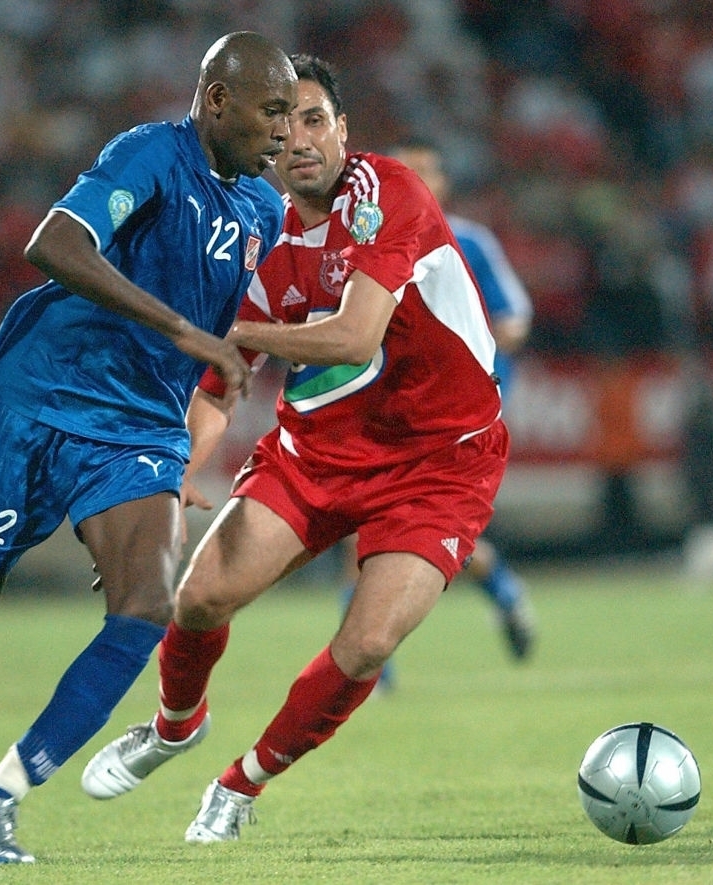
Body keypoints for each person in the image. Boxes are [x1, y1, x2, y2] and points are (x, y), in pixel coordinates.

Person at [0, 31, 297, 865]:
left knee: (145, 605)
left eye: (293, 114)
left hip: (140, 426)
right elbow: (54, 242)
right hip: (44, 399)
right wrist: (185, 331)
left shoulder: (263, 208)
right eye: (272, 111)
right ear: (218, 100)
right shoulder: (151, 156)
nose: (284, 131)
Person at [80, 55, 509, 843]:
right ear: (264, 139)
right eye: (283, 125)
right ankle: (174, 726)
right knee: (198, 597)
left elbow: (354, 335)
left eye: (315, 120)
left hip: (441, 460)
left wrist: (234, 330)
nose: (301, 139)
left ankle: (241, 783)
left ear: (343, 128)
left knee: (368, 641)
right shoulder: (258, 232)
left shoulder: (384, 194)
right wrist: (176, 474)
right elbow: (219, 387)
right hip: (318, 449)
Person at [341, 140, 536, 687]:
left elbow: (514, 320)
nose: (415, 180)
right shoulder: (365, 241)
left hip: (453, 423)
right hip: (385, 412)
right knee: (364, 533)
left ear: (445, 183)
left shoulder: (469, 241)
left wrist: (462, 359)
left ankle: (497, 588)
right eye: (404, 171)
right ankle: (370, 674)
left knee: (424, 536)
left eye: (425, 171)